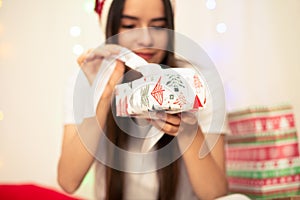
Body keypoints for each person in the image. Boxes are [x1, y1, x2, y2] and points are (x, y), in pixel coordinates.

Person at [57, 0, 230, 199]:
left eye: (158, 26)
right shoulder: (89, 78)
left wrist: (188, 130)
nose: (146, 39)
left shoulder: (199, 82)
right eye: (130, 26)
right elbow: (68, 181)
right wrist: (104, 97)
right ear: (110, 29)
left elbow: (216, 193)